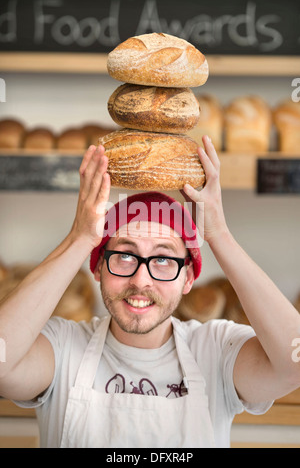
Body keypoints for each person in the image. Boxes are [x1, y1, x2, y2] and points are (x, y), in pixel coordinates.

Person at [0, 136, 299, 448]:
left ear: (188, 279)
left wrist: (219, 235)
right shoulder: (62, 349)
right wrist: (79, 237)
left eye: (163, 259)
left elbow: (294, 364)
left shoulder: (216, 350)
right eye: (125, 255)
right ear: (99, 267)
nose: (141, 280)